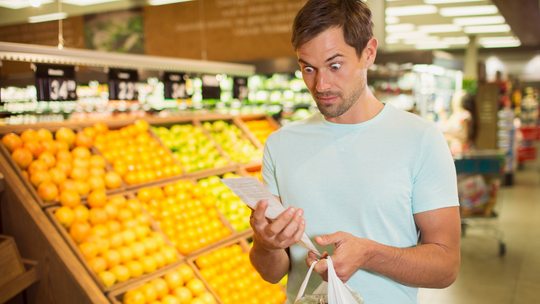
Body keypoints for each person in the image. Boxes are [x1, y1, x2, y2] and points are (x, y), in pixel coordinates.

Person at [248, 0, 461, 304]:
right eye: (308, 68)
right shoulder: (280, 144)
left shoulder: (421, 139)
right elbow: (272, 272)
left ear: (368, 53)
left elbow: (446, 267)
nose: (321, 84)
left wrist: (370, 255)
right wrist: (266, 245)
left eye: (335, 65)